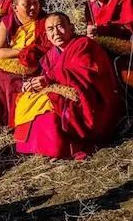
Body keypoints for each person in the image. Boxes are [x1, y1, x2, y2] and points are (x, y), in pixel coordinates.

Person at [13, 12, 122, 159]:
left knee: (50, 108)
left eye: (60, 26)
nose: (56, 32)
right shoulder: (50, 55)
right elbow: (46, 79)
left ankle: (63, 147)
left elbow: (87, 77)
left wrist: (49, 79)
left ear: (71, 28)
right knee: (27, 100)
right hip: (64, 96)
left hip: (89, 101)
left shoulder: (84, 44)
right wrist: (34, 84)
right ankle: (31, 146)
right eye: (50, 29)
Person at [0, 0, 47, 128]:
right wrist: (23, 50)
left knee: (10, 79)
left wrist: (30, 52)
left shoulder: (45, 21)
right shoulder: (8, 22)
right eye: (27, 4)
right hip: (17, 62)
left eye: (35, 2)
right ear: (15, 8)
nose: (33, 7)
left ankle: (17, 119)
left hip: (36, 66)